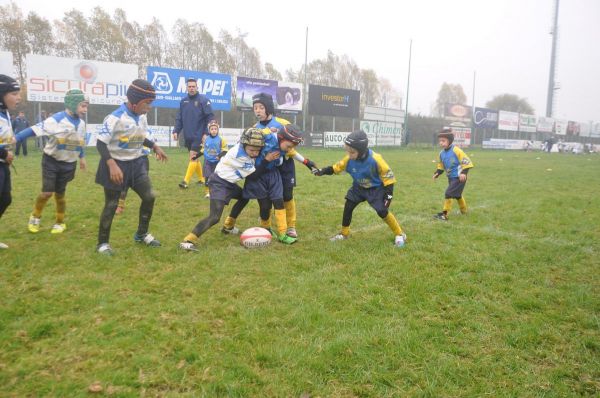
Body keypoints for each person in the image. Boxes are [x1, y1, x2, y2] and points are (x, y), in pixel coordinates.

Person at [221, 93, 316, 240]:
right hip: (265, 168)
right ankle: (265, 225)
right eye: (255, 108)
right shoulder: (255, 128)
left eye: (261, 107)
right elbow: (246, 148)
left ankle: (290, 227)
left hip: (284, 166)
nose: (257, 111)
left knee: (287, 196)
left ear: (268, 108)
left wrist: (306, 161)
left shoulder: (282, 123)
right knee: (263, 200)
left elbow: (290, 147)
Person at [95, 79, 168, 256]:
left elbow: (139, 136)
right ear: (135, 102)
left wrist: (154, 146)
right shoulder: (115, 118)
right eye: (147, 103)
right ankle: (102, 244)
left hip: (136, 164)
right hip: (115, 165)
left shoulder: (142, 116)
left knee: (149, 196)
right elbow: (100, 144)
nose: (149, 107)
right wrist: (111, 164)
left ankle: (141, 234)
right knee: (111, 204)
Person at [179, 128, 277, 251]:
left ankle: (228, 227)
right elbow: (254, 175)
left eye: (258, 150)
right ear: (244, 145)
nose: (255, 153)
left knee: (244, 197)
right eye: (252, 150)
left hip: (228, 182)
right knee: (214, 217)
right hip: (219, 183)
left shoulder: (244, 146)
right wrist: (266, 160)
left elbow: (254, 135)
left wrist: (269, 131)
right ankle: (188, 240)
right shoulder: (240, 156)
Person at [314, 130, 406, 248]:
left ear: (361, 150)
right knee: (348, 206)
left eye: (352, 152)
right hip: (358, 188)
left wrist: (388, 195)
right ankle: (344, 233)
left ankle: (399, 234)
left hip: (375, 189)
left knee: (382, 211)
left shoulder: (376, 159)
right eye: (347, 151)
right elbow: (336, 168)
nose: (349, 155)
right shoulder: (349, 159)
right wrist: (322, 171)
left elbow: (388, 176)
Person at [15, 89, 89, 234]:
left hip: (69, 164)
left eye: (87, 106)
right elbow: (33, 130)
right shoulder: (56, 119)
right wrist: (15, 138)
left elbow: (79, 142)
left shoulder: (81, 124)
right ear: (73, 104)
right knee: (47, 193)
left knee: (60, 195)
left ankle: (60, 222)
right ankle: (35, 217)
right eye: (83, 106)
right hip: (51, 161)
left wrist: (82, 157)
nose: (85, 110)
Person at [172, 78, 214, 189]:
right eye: (189, 86)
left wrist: (206, 133)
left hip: (199, 135)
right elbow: (179, 118)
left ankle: (185, 181)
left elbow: (210, 117)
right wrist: (176, 130)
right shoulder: (183, 101)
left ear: (197, 87)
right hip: (188, 135)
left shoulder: (203, 100)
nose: (191, 88)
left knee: (193, 156)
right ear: (187, 87)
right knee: (196, 158)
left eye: (193, 86)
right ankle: (202, 179)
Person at [432, 128, 474, 221]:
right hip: (451, 178)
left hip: (459, 177)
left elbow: (466, 161)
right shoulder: (441, 153)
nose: (441, 143)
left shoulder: (456, 150)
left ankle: (444, 214)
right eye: (440, 141)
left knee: (449, 193)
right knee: (457, 195)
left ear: (450, 140)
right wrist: (437, 173)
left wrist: (464, 173)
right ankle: (464, 211)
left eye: (443, 141)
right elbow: (441, 165)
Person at [0, 75, 21, 249]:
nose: (18, 98)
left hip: (3, 164)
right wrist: (3, 152)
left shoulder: (5, 113)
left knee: (5, 199)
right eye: (14, 93)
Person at [202, 120, 228, 198]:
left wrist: (219, 156)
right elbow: (203, 149)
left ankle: (218, 191)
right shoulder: (206, 139)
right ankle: (207, 193)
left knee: (217, 177)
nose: (214, 130)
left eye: (215, 129)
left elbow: (225, 150)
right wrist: (196, 156)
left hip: (217, 162)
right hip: (207, 161)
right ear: (209, 130)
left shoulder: (221, 139)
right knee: (207, 176)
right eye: (212, 129)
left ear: (218, 130)